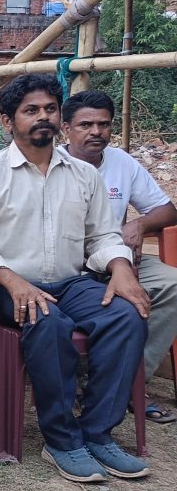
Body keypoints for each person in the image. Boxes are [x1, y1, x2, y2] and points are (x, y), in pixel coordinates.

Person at [0, 74, 151, 483]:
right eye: (31, 110)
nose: (43, 117)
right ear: (8, 122)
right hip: (7, 285)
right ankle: (62, 440)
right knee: (47, 322)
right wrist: (9, 277)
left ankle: (97, 433)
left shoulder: (83, 174)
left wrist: (120, 267)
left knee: (127, 316)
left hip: (70, 283)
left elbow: (103, 236)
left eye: (50, 109)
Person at [59, 89, 177, 424]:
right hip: (70, 264)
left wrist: (139, 224)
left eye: (104, 124)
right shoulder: (53, 164)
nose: (96, 131)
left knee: (171, 283)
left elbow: (168, 210)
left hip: (119, 259)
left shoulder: (121, 162)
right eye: (85, 125)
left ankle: (132, 383)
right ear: (66, 128)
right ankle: (87, 379)